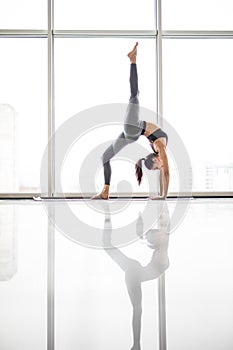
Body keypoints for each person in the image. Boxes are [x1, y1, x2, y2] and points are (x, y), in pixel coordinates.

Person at [92, 42, 169, 200]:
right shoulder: (159, 148)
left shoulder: (159, 147)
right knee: (105, 157)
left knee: (135, 95)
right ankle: (105, 191)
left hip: (133, 129)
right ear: (156, 159)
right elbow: (166, 173)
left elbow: (164, 172)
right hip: (133, 131)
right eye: (157, 168)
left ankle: (133, 60)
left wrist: (163, 196)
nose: (159, 168)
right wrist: (163, 196)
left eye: (156, 168)